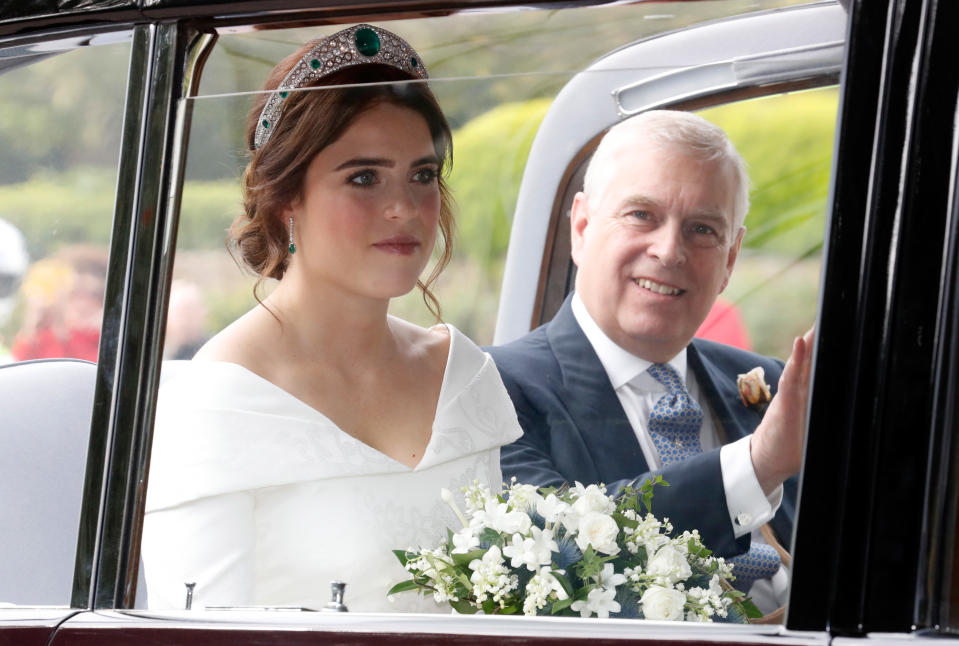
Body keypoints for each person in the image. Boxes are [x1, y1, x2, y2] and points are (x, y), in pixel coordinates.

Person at [142, 24, 523, 612]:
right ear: (286, 197)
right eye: (364, 178)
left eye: (421, 175)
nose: (403, 208)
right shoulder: (216, 401)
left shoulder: (461, 375)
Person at [488, 110, 813, 618]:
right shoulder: (493, 388)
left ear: (730, 260)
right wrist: (755, 466)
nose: (668, 251)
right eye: (641, 214)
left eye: (703, 229)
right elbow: (556, 549)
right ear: (582, 227)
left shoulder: (773, 383)